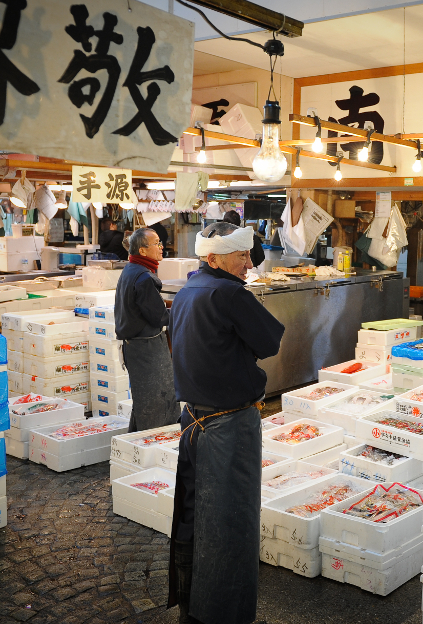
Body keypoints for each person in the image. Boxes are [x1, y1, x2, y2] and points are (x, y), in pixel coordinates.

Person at [168, 222, 284, 624]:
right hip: (229, 425)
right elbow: (269, 343)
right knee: (231, 523)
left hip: (193, 421)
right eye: (241, 256)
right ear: (214, 258)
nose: (249, 264)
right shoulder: (230, 293)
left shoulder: (187, 291)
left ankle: (192, 607)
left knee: (194, 516)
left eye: (249, 255)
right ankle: (224, 615)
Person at [116, 228, 180, 432]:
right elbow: (158, 316)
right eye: (157, 243)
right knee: (158, 402)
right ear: (142, 251)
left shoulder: (131, 269)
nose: (161, 247)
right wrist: (182, 311)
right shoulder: (143, 278)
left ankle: (135, 442)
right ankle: (155, 446)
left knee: (144, 400)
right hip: (146, 348)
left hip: (133, 346)